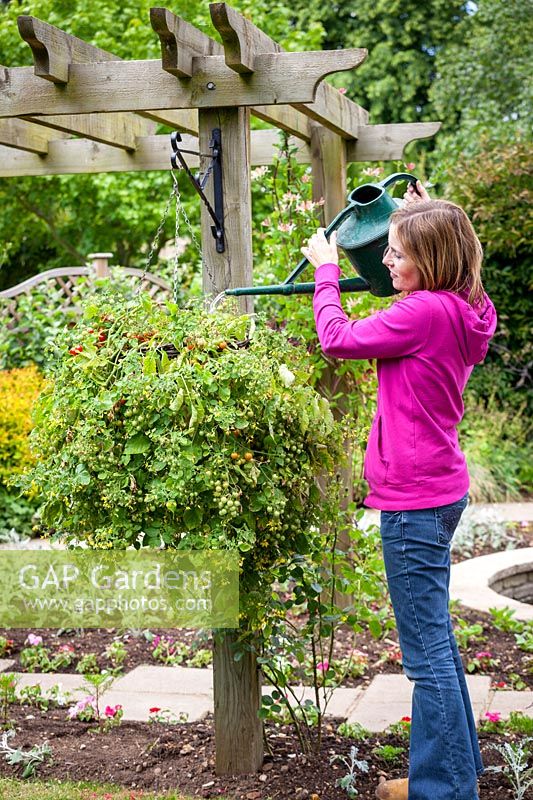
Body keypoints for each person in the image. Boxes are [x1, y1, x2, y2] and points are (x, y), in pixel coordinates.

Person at [301, 180, 497, 800]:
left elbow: (336, 338)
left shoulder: (420, 313)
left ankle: (440, 789)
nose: (384, 259)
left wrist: (327, 270)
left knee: (425, 653)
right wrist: (423, 209)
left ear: (429, 262)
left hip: (413, 498)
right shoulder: (468, 311)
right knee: (438, 639)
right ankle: (458, 773)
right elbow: (466, 273)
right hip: (440, 487)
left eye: (397, 251)